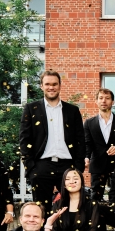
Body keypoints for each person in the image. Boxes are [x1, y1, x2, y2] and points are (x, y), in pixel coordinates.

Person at [19, 70, 86, 208]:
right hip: (41, 166)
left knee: (71, 209)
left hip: (68, 167)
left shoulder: (72, 111)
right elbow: (24, 139)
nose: (51, 87)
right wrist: (30, 167)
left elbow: (80, 139)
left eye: (55, 84)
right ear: (41, 86)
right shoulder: (32, 109)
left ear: (60, 86)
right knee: (42, 210)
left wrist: (78, 167)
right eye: (47, 84)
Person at [83, 88, 115, 202]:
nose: (103, 101)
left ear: (113, 102)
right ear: (96, 101)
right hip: (97, 164)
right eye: (100, 98)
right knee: (95, 197)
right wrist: (86, 157)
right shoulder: (89, 123)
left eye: (107, 98)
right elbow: (87, 143)